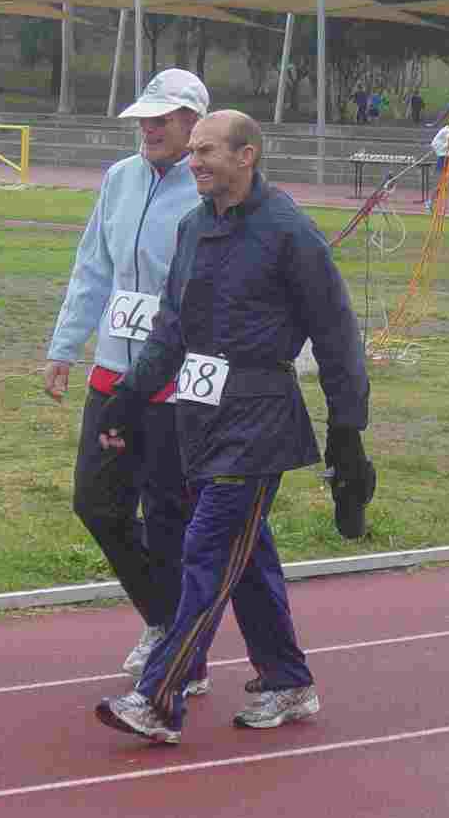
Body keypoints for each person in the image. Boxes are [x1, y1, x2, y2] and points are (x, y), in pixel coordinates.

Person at [92, 110, 372, 744]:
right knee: (245, 555)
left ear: (247, 157)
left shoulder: (289, 232)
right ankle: (288, 680)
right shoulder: (192, 229)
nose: (194, 162)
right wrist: (127, 398)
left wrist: (347, 430)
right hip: (201, 415)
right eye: (192, 152)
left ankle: (159, 697)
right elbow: (171, 327)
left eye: (208, 151)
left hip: (260, 417)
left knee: (208, 547)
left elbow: (335, 334)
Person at [44, 68, 211, 694]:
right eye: (144, 117)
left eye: (162, 118)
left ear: (195, 122)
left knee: (169, 511)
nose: (148, 127)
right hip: (115, 372)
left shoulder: (208, 188)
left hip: (176, 379)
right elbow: (93, 267)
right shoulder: (119, 180)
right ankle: (167, 618)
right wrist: (65, 348)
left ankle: (181, 648)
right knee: (97, 501)